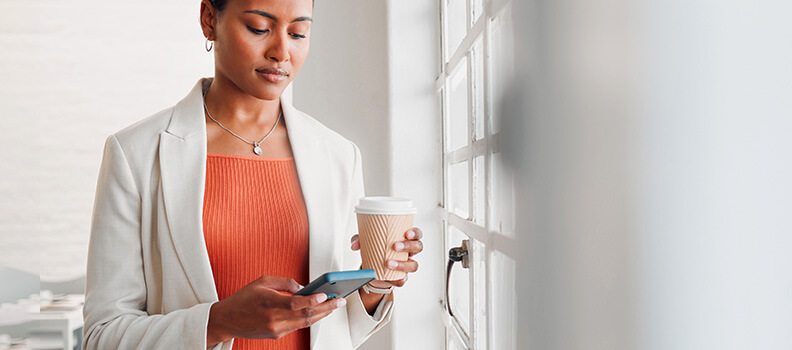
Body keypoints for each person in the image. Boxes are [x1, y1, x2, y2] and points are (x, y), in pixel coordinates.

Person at [82, 0, 424, 349]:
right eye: (259, 28)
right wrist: (219, 321)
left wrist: (377, 282)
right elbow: (103, 335)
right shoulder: (136, 154)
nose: (281, 52)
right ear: (209, 19)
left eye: (298, 33)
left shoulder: (339, 155)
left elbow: (339, 329)